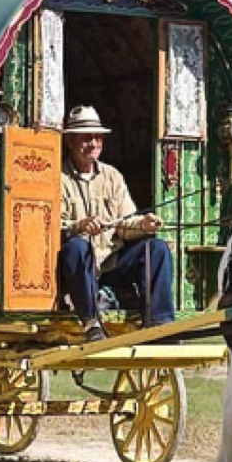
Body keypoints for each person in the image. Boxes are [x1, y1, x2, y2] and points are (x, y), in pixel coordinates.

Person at [59, 105, 175, 341]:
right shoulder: (57, 177)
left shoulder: (112, 176)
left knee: (157, 249)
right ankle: (91, 322)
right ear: (70, 141)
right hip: (77, 267)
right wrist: (80, 226)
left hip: (111, 262)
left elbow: (124, 223)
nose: (93, 143)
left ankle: (160, 323)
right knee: (78, 246)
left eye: (97, 137)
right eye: (86, 137)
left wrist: (143, 224)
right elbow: (50, 226)